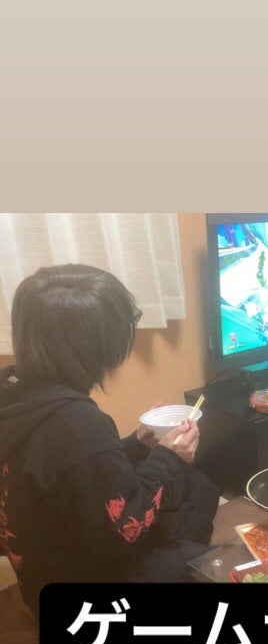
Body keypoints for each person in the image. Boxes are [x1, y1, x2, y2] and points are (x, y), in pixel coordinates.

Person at [0, 264, 221, 616]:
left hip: (43, 572)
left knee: (200, 486)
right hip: (89, 588)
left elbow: (77, 473)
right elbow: (128, 529)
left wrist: (137, 444)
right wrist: (169, 457)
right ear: (95, 345)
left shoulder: (13, 391)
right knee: (219, 562)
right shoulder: (77, 423)